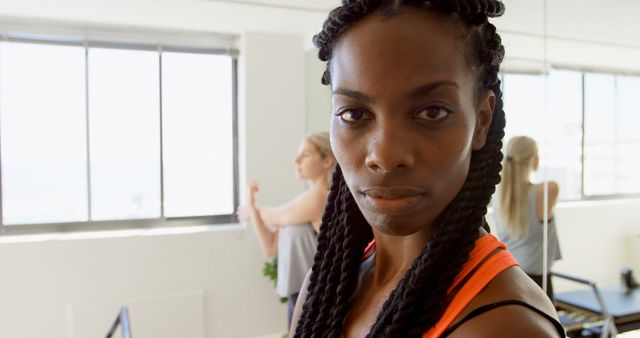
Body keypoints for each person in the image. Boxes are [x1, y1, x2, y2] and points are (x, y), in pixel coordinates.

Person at [290, 1, 565, 337]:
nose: (385, 156)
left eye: (432, 112)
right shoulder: (325, 285)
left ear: (481, 121)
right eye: (354, 114)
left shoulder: (505, 326)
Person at [237, 131, 335, 330]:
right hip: (297, 296)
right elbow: (270, 247)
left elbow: (274, 216)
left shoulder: (321, 197)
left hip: (317, 299)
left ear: (327, 161)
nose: (296, 160)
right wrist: (253, 209)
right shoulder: (301, 205)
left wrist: (253, 210)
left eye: (305, 154)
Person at [494, 136, 561, 301]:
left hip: (509, 275)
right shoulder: (546, 191)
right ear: (533, 158)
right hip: (536, 282)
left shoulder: (500, 197)